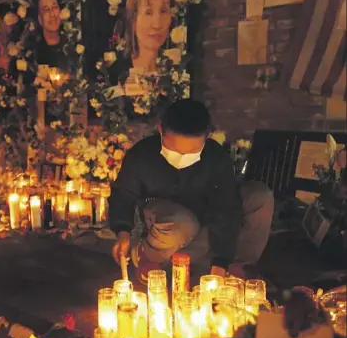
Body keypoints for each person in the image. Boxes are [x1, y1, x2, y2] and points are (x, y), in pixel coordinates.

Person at [109, 99, 274, 284]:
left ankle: (236, 268)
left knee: (259, 196)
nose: (182, 157)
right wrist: (123, 232)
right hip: (163, 227)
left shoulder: (216, 158)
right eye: (173, 149)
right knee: (183, 223)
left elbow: (226, 207)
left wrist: (221, 261)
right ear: (161, 130)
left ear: (207, 135)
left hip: (201, 220)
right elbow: (123, 195)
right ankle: (149, 258)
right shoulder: (142, 155)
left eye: (193, 151)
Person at [124, 0, 172, 73]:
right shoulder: (115, 75)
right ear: (133, 19)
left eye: (163, 11)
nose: (157, 24)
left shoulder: (175, 75)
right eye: (148, 12)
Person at [36, 0, 68, 70]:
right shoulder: (34, 52)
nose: (52, 14)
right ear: (40, 19)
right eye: (46, 10)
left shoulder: (71, 45)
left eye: (54, 7)